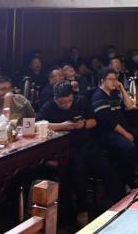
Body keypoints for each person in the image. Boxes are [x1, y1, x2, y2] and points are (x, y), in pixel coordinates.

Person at [37, 81, 112, 227]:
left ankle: (112, 200)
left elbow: (94, 121)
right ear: (55, 99)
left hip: (85, 143)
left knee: (104, 164)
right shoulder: (48, 107)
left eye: (69, 101)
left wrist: (83, 124)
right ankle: (82, 210)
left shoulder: (81, 101)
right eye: (62, 102)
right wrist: (62, 126)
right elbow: (38, 125)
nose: (67, 105)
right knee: (78, 169)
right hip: (64, 148)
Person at [90, 68, 138, 189]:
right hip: (107, 134)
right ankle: (127, 182)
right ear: (102, 80)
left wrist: (122, 89)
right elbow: (109, 122)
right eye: (111, 79)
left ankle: (137, 173)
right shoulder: (98, 96)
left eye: (116, 79)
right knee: (130, 148)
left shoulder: (114, 93)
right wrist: (125, 134)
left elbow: (129, 106)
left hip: (121, 129)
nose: (114, 82)